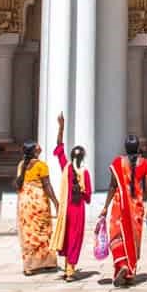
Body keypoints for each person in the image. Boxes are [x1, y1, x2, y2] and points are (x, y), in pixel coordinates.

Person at [99, 133, 147, 287]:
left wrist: (105, 207)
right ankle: (129, 272)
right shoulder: (145, 163)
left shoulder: (117, 163)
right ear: (138, 147)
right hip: (136, 206)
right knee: (133, 238)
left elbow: (112, 186)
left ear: (125, 147)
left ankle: (122, 265)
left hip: (120, 204)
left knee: (116, 236)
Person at [52, 112, 92, 281]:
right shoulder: (85, 173)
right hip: (78, 209)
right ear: (83, 157)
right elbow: (88, 196)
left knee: (67, 236)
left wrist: (61, 127)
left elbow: (59, 147)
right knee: (76, 238)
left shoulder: (66, 168)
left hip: (65, 208)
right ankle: (70, 269)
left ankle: (68, 266)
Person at [14, 141, 59, 275]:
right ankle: (47, 262)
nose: (40, 146)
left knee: (28, 233)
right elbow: (47, 186)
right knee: (43, 231)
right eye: (37, 146)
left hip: (24, 202)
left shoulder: (21, 165)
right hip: (38, 202)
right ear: (34, 151)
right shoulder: (41, 166)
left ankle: (29, 265)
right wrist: (56, 202)